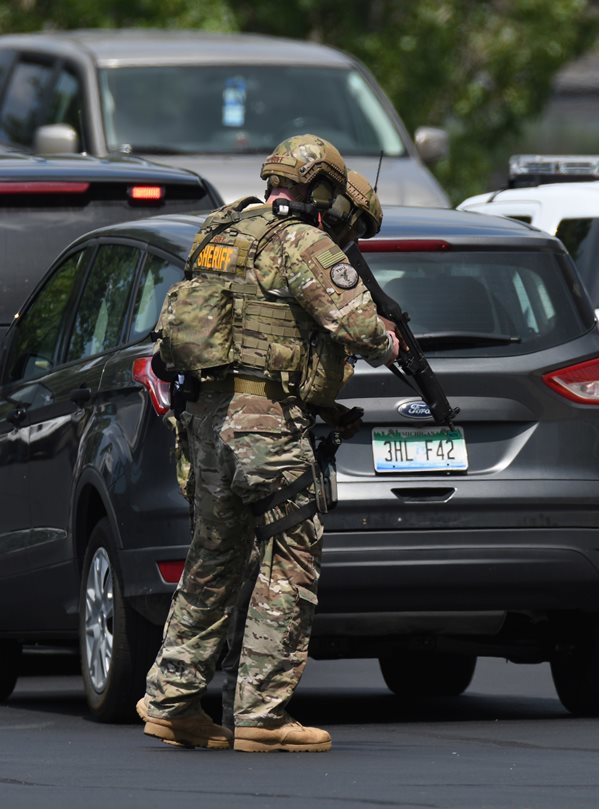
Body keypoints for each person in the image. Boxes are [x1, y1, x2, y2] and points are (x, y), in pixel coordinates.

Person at [137, 134, 397, 753]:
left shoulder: (220, 230)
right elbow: (361, 329)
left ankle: (172, 701)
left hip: (206, 419)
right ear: (324, 190)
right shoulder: (301, 241)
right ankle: (262, 714)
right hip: (267, 423)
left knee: (212, 557)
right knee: (290, 556)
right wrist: (390, 340)